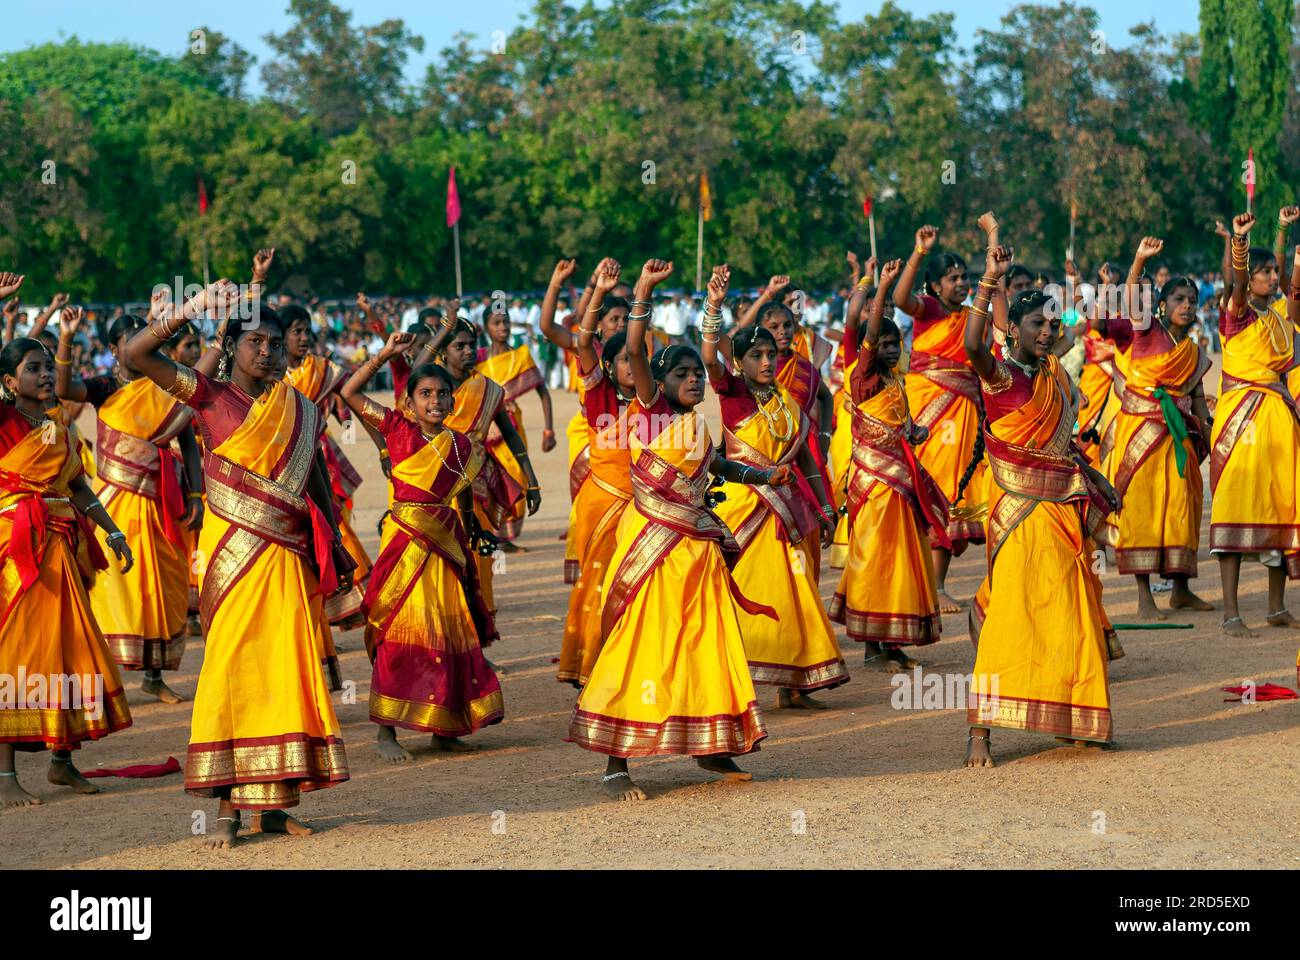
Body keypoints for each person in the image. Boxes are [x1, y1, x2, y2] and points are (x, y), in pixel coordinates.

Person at [122, 281, 351, 849]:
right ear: (231, 346)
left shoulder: (300, 408)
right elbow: (135, 355)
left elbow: (316, 476)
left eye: (275, 342)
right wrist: (191, 310)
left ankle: (273, 808)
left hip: (287, 556)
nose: (268, 351)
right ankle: (227, 808)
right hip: (235, 562)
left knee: (283, 673)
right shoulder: (207, 396)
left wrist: (338, 542)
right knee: (233, 673)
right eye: (255, 341)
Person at [568, 259, 786, 801]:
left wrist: (763, 474)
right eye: (682, 374)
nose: (693, 380)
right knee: (640, 645)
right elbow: (636, 350)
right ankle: (617, 761)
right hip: (652, 551)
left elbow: (718, 468)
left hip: (696, 554)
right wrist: (643, 290)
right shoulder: (649, 414)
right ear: (658, 382)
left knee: (704, 644)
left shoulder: (697, 424)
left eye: (697, 374)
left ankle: (710, 744)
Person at [961, 227, 1122, 768]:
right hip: (1019, 508)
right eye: (1039, 323)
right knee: (1013, 612)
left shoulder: (1053, 372)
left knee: (1070, 608)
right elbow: (972, 344)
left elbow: (1062, 443)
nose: (1050, 330)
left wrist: (1094, 479)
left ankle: (1076, 716)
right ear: (1016, 330)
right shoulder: (1000, 375)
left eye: (1054, 322)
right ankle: (980, 733)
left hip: (1061, 508)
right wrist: (989, 279)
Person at [340, 333, 504, 761]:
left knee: (449, 630)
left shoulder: (463, 445)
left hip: (446, 545)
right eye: (425, 394)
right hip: (405, 546)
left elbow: (463, 493)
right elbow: (349, 391)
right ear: (409, 403)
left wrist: (470, 533)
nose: (435, 400)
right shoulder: (397, 427)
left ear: (452, 401)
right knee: (399, 629)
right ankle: (386, 733)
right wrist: (385, 354)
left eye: (442, 394)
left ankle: (444, 726)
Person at [0, 335, 135, 807]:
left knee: (68, 648)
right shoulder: (3, 420)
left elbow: (78, 486)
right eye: (32, 368)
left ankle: (62, 761)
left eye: (45, 367)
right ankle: (5, 773)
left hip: (61, 544)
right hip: (17, 550)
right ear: (8, 380)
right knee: (18, 653)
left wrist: (113, 531)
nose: (43, 375)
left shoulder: (56, 426)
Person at [703, 266, 845, 704]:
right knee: (745, 592)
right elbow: (710, 357)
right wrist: (714, 305)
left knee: (798, 590)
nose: (767, 362)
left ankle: (795, 684)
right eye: (757, 356)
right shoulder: (733, 394)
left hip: (789, 509)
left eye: (771, 355)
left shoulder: (785, 399)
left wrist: (824, 506)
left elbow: (806, 458)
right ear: (740, 363)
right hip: (745, 510)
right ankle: (731, 682)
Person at [53, 306, 204, 705]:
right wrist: (66, 339)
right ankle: (103, 681)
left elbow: (187, 440)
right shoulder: (105, 386)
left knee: (161, 587)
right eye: (129, 341)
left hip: (159, 502)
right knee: (115, 592)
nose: (139, 347)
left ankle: (154, 677)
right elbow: (65, 390)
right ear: (114, 349)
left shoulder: (164, 382)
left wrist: (195, 493)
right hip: (115, 505)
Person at [829, 259, 951, 670]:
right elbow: (869, 323)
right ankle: (869, 647)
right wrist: (879, 285)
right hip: (874, 483)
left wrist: (914, 432)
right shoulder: (864, 377)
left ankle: (892, 642)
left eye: (895, 344)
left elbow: (901, 422)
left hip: (899, 481)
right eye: (881, 344)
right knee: (874, 558)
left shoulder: (895, 381)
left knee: (901, 558)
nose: (890, 349)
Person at [1099, 238, 1214, 618]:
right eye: (1179, 299)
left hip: (1178, 436)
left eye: (1192, 300)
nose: (1187, 305)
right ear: (1163, 305)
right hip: (1141, 433)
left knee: (1182, 506)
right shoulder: (1146, 331)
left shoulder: (1194, 351)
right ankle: (1144, 597)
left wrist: (1208, 434)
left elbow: (1196, 396)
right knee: (1142, 509)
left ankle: (1181, 590)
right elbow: (1131, 299)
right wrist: (1137, 261)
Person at [1211, 212, 1300, 638]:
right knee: (1235, 507)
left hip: (1278, 418)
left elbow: (1295, 296)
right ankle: (1231, 613)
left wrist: (1292, 253)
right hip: (1240, 420)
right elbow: (1239, 284)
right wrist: (1240, 243)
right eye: (1265, 271)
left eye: (1272, 271)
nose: (1270, 276)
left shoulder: (1279, 320)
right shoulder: (1237, 315)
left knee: (1281, 505)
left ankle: (1276, 607)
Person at [894, 224, 987, 612]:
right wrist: (918, 252)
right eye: (952, 278)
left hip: (963, 412)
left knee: (954, 491)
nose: (961, 283)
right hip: (931, 410)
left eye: (965, 276)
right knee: (929, 488)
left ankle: (937, 584)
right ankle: (925, 585)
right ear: (934, 286)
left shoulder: (970, 315)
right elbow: (900, 298)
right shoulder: (928, 311)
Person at [422, 316, 541, 618]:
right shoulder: (431, 391)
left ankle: (478, 642)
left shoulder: (488, 390)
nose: (467, 351)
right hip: (436, 492)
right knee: (442, 570)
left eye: (472, 345)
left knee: (479, 564)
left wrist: (532, 479)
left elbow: (511, 434)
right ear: (443, 351)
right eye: (459, 345)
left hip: (476, 490)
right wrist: (442, 328)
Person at [557, 260, 639, 687]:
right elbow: (584, 340)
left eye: (636, 359)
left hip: (643, 506)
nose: (630, 366)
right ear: (608, 367)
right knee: (598, 582)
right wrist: (596, 291)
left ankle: (631, 659)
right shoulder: (598, 394)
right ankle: (590, 660)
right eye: (623, 360)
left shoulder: (651, 397)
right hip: (602, 505)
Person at [282, 289, 377, 637]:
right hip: (284, 462)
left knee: (334, 524)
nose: (304, 338)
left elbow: (353, 403)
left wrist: (383, 447)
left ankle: (347, 602)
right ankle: (323, 613)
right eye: (296, 331)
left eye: (308, 331)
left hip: (322, 460)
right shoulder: (270, 373)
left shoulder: (324, 370)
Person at [477, 301, 555, 548]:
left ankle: (506, 536)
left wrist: (548, 429)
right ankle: (496, 535)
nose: (503, 327)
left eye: (506, 322)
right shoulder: (477, 358)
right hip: (483, 427)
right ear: (486, 327)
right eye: (497, 323)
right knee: (490, 477)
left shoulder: (520, 355)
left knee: (516, 474)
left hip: (510, 424)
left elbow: (543, 392)